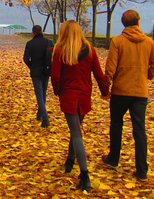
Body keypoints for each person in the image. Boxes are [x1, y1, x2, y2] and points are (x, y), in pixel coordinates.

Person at [102, 10, 154, 181]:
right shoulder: (149, 42)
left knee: (116, 125)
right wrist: (145, 76)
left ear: (123, 24)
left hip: (120, 91)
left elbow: (110, 68)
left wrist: (107, 87)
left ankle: (113, 158)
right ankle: (142, 169)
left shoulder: (118, 41)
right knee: (139, 130)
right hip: (140, 92)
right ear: (138, 22)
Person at [51, 20, 109, 192]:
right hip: (83, 95)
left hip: (69, 96)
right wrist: (105, 90)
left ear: (65, 32)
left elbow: (55, 77)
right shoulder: (90, 50)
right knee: (75, 129)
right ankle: (70, 161)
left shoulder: (60, 51)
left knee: (76, 133)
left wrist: (58, 90)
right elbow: (98, 73)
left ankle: (85, 176)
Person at [23, 24, 52, 128]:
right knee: (43, 93)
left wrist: (32, 67)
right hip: (46, 71)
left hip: (36, 72)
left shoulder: (30, 44)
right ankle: (39, 115)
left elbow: (26, 59)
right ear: (42, 32)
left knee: (39, 94)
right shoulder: (48, 42)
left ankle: (45, 118)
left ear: (33, 33)